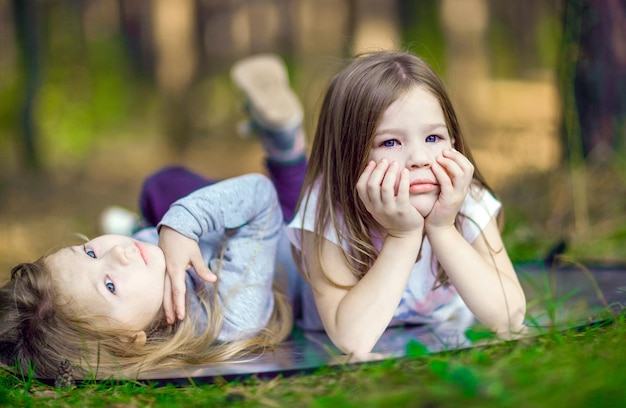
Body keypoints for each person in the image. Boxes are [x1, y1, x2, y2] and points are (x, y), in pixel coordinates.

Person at [0, 54, 307, 380]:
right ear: (130, 343)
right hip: (276, 232)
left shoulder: (144, 278)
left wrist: (164, 230)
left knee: (160, 187)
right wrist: (183, 222)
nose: (117, 252)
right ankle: (285, 140)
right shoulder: (233, 314)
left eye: (90, 251)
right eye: (109, 285)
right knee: (293, 213)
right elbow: (261, 198)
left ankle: (139, 224)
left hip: (215, 235)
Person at [285, 51, 528, 354]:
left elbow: (511, 317)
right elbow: (352, 340)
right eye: (390, 142)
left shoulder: (465, 198)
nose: (419, 159)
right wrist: (404, 236)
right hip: (298, 281)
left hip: (428, 326)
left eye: (433, 138)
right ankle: (283, 143)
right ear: (349, 156)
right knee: (278, 249)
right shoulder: (326, 212)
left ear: (454, 140)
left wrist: (443, 228)